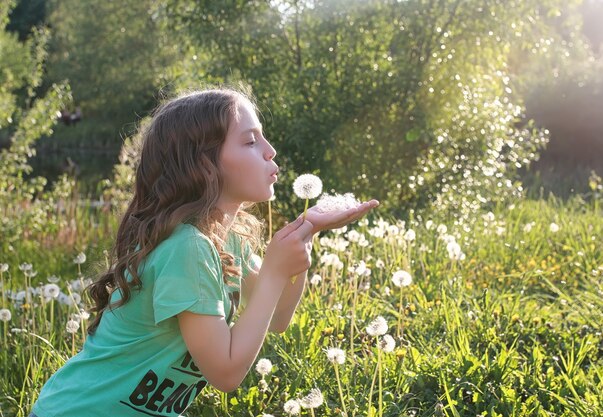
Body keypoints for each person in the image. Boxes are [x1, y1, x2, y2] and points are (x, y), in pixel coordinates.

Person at [29, 86, 379, 417]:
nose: (270, 150)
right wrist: (274, 271)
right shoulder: (187, 248)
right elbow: (225, 374)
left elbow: (277, 317)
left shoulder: (225, 239)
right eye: (250, 141)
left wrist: (306, 231)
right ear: (204, 163)